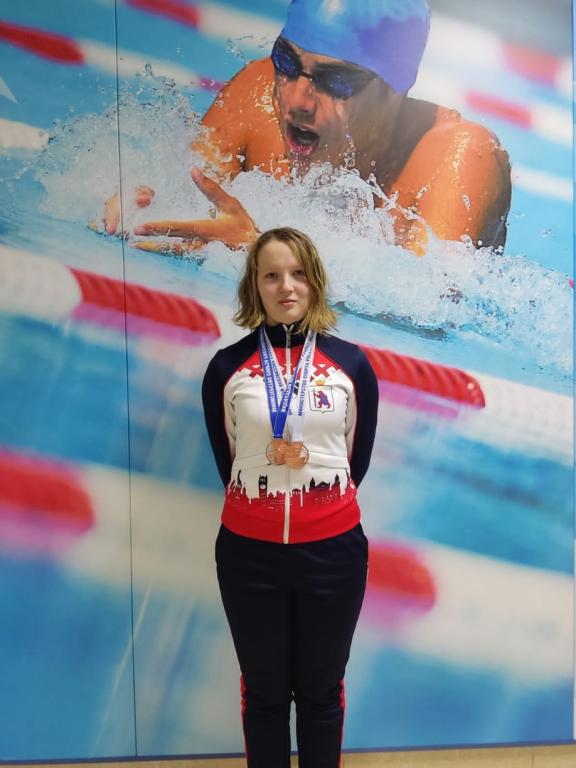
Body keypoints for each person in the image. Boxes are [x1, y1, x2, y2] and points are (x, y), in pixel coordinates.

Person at [104, 0, 511, 257]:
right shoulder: (257, 95)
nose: (297, 100)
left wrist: (259, 251)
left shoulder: (457, 158)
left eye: (335, 82)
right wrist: (144, 211)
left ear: (395, 89)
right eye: (287, 62)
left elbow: (427, 315)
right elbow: (189, 219)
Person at [201, 227, 378, 767]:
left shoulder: (351, 366)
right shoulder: (226, 368)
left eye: (298, 273)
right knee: (265, 696)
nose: (286, 287)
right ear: (254, 286)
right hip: (249, 556)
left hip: (332, 555)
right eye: (272, 275)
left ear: (315, 281)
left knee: (321, 695)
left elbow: (356, 463)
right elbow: (228, 463)